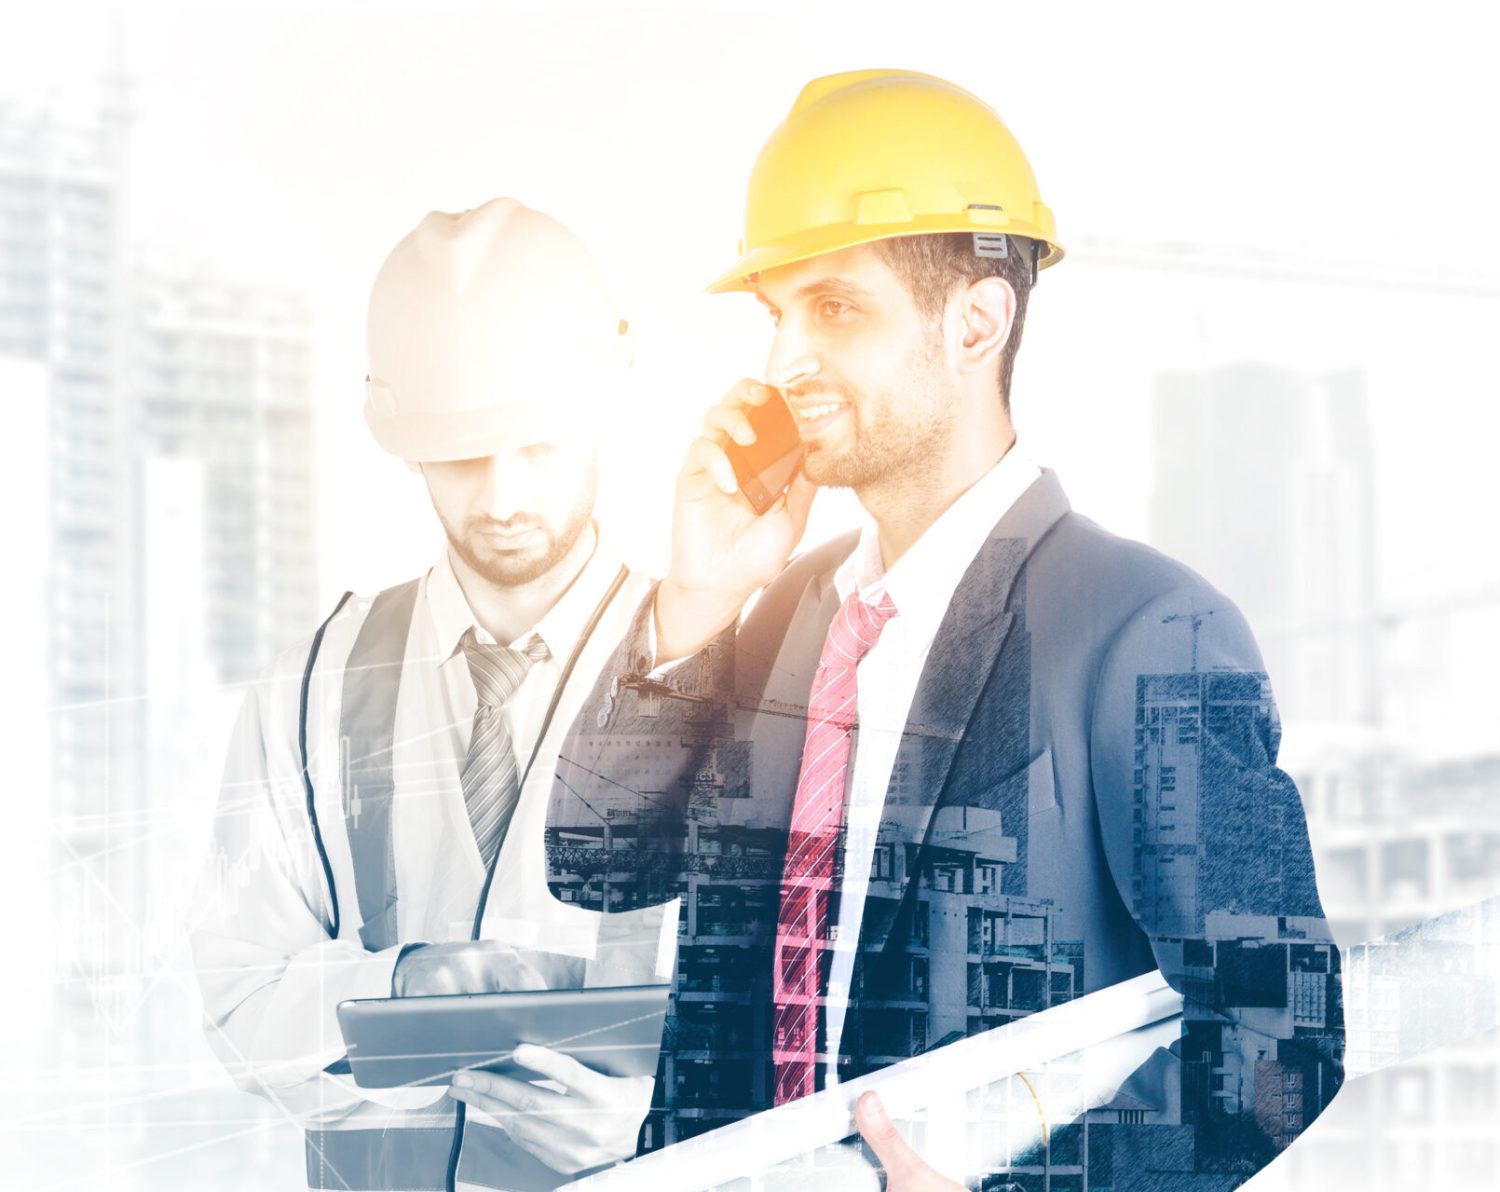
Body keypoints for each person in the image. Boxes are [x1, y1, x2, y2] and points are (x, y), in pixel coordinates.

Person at [543, 72, 1345, 1189]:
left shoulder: (1149, 630)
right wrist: (693, 598)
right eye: (778, 315)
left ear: (977, 321)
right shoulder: (774, 611)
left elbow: (1282, 1037)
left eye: (836, 308)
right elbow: (595, 866)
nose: (783, 364)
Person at [192, 198, 673, 1192]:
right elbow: (236, 999)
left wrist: (657, 1128)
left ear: (602, 407)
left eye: (537, 446)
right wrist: (398, 984)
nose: (501, 497)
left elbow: (801, 1031)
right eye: (462, 455)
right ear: (406, 438)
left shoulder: (721, 676)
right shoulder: (312, 688)